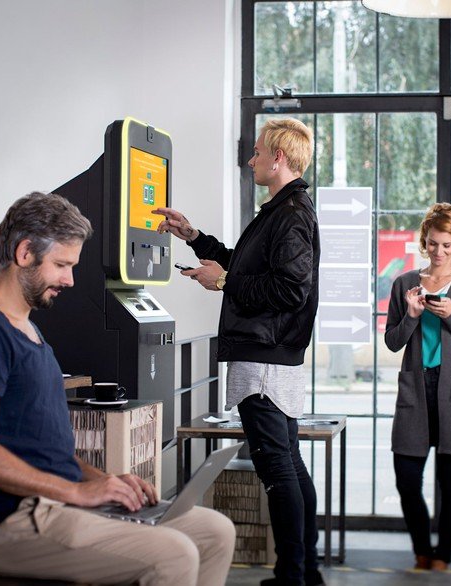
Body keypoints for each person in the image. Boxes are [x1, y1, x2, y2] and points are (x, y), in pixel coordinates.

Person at [0, 192, 235, 586]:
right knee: (173, 555)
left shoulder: (30, 331)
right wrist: (77, 494)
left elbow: (49, 456)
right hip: (11, 522)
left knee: (214, 531)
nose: (69, 280)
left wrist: (103, 481)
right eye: (61, 265)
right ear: (25, 253)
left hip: (57, 503)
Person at [152, 118, 323, 586]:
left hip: (264, 360)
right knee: (289, 463)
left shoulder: (290, 214)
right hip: (269, 357)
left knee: (277, 468)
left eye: (257, 153)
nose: (251, 160)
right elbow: (248, 264)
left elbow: (290, 289)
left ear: (279, 158)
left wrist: (224, 282)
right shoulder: (281, 211)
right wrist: (193, 236)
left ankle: (293, 576)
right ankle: (305, 572)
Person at [384, 203, 451, 571]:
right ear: (425, 241)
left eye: (447, 245)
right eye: (433, 243)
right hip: (416, 392)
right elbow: (393, 342)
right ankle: (421, 551)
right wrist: (413, 316)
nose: (439, 252)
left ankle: (443, 556)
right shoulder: (405, 283)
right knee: (407, 480)